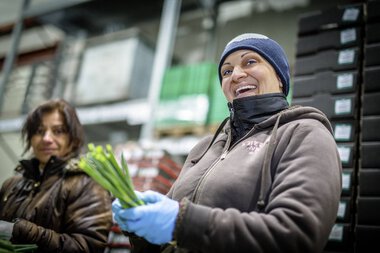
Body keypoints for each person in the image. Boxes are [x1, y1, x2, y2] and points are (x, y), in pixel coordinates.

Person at [112, 33, 342, 253]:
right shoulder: (205, 148)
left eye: (250, 62)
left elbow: (296, 236)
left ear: (281, 79)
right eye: (226, 71)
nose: (236, 75)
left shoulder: (304, 133)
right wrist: (140, 226)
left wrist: (183, 223)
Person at [0, 99, 113, 252]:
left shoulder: (88, 185)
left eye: (58, 131)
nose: (46, 138)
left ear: (73, 140)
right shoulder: (11, 184)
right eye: (39, 131)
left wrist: (25, 231)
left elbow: (87, 246)